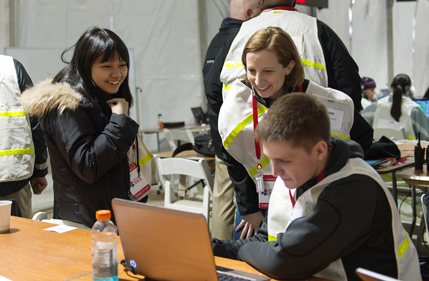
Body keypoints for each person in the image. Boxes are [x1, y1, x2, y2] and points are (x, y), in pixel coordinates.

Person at [213, 93, 420, 281]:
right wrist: (214, 248)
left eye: (284, 160)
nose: (274, 172)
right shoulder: (295, 174)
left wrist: (243, 252)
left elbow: (284, 261)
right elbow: (266, 239)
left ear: (320, 151)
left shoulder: (354, 189)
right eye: (271, 160)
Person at [218, 27, 373, 239]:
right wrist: (248, 208)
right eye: (251, 70)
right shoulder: (237, 102)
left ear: (289, 66)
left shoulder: (322, 100)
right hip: (256, 204)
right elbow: (231, 155)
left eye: (268, 71)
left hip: (312, 201)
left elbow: (362, 137)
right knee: (245, 262)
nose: (258, 80)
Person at [20, 27, 139, 228]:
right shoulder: (67, 106)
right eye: (106, 65)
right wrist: (119, 121)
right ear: (86, 65)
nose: (117, 73)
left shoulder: (100, 96)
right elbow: (88, 165)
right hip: (82, 222)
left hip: (105, 216)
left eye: (123, 64)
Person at [220, 0, 363, 111]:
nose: (258, 81)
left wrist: (222, 145)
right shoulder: (317, 30)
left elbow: (212, 87)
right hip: (310, 136)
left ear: (260, 2)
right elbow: (349, 86)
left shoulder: (239, 34)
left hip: (245, 138)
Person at [203, 0, 262, 240]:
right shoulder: (241, 40)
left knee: (222, 203)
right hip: (238, 139)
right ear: (249, 13)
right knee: (243, 204)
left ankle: (217, 256)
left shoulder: (215, 42)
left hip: (220, 138)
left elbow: (211, 92)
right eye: (261, 10)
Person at [0, 55, 48, 218]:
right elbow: (35, 122)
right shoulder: (11, 68)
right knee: (17, 240)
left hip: (14, 179)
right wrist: (39, 171)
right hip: (13, 180)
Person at [361, 73, 429, 141]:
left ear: (392, 87)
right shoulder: (413, 109)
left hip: (379, 150)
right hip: (407, 150)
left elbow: (360, 121)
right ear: (408, 89)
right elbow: (426, 136)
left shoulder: (377, 105)